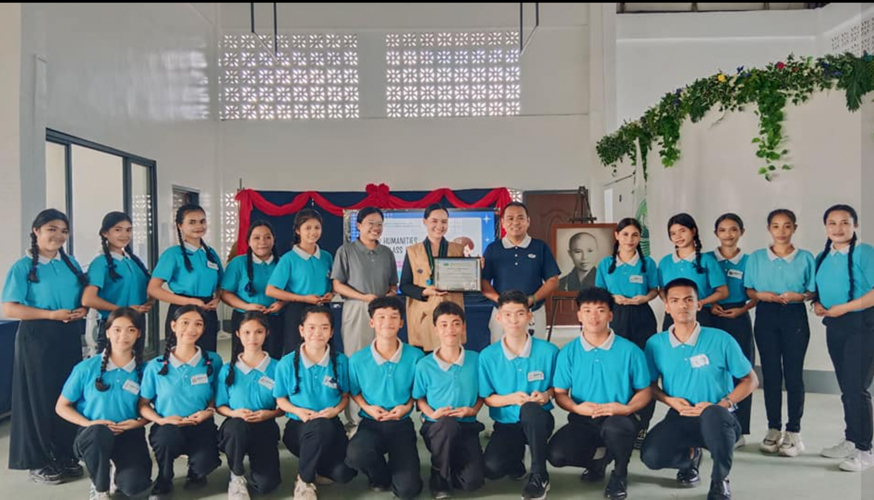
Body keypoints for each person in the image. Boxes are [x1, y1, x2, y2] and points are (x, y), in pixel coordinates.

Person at [641, 278, 758, 500]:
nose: (682, 305)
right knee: (651, 457)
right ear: (666, 306)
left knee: (713, 415)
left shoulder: (721, 339)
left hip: (719, 416)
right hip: (681, 414)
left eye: (688, 300)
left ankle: (719, 480)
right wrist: (670, 401)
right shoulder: (656, 344)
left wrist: (723, 403)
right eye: (675, 300)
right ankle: (690, 457)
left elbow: (750, 380)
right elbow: (650, 385)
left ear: (698, 304)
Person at [2, 208, 88, 484]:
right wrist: (51, 315)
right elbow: (11, 308)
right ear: (36, 231)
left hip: (68, 334)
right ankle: (39, 461)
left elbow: (79, 297)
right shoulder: (24, 267)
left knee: (67, 395)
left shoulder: (70, 263)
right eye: (52, 228)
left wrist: (82, 309)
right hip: (37, 338)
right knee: (39, 399)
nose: (58, 235)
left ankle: (66, 454)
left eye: (63, 230)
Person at [547, 287, 651, 500]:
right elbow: (560, 393)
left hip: (619, 418)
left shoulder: (630, 351)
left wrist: (628, 408)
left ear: (611, 315)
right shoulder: (568, 352)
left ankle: (620, 473)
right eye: (587, 310)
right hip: (583, 418)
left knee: (615, 428)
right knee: (556, 455)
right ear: (579, 315)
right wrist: (576, 407)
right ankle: (598, 462)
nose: (593, 316)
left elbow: (645, 391)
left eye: (601, 310)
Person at [55, 307, 152, 500]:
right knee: (100, 433)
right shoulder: (86, 368)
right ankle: (99, 486)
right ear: (107, 332)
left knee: (135, 486)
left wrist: (139, 422)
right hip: (93, 436)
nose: (123, 335)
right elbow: (62, 406)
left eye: (130, 330)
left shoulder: (146, 370)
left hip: (129, 434)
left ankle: (116, 470)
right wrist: (90, 424)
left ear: (138, 333)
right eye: (116, 329)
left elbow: (150, 407)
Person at [744, 209, 815, 457]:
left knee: (794, 375)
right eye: (776, 226)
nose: (781, 231)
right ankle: (773, 428)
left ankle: (793, 431)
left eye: (787, 226)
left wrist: (801, 296)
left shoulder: (806, 258)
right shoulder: (756, 258)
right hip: (766, 315)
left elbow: (813, 291)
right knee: (771, 375)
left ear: (795, 228)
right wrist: (760, 296)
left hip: (794, 315)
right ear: (769, 229)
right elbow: (750, 289)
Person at [479, 290, 559, 500]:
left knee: (531, 410)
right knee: (492, 468)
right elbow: (488, 397)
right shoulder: (488, 356)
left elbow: (558, 389)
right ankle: (516, 461)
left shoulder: (549, 351)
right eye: (507, 314)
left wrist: (546, 395)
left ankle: (540, 475)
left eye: (520, 313)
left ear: (529, 316)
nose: (514, 320)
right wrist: (512, 398)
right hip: (506, 423)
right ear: (499, 317)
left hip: (538, 420)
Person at [813, 204, 874, 472]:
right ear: (826, 227)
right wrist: (816, 303)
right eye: (832, 223)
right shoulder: (823, 256)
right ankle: (851, 439)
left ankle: (865, 449)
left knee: (856, 388)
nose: (838, 228)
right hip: (834, 325)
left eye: (845, 223)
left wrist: (845, 308)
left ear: (855, 226)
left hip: (862, 325)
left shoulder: (864, 252)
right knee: (845, 387)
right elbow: (819, 288)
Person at [139, 305, 223, 499]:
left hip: (201, 424)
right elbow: (143, 404)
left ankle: (195, 470)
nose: (191, 329)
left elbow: (215, 394)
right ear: (173, 325)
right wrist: (161, 421)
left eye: (198, 324)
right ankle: (165, 476)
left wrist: (209, 411)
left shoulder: (213, 360)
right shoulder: (156, 366)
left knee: (205, 464)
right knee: (166, 439)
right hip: (168, 427)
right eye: (185, 323)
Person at [345, 296, 425, 500]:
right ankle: (379, 476)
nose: (387, 322)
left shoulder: (416, 356)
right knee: (356, 454)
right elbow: (354, 391)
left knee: (408, 490)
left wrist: (407, 407)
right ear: (371, 322)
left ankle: (401, 470)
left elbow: (418, 392)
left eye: (393, 317)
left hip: (401, 423)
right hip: (371, 422)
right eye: (381, 317)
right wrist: (368, 408)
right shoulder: (357, 359)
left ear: (401, 322)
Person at [274, 305, 357, 500]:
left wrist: (334, 410)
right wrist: (299, 411)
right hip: (299, 427)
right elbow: (280, 399)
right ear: (301, 330)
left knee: (344, 474)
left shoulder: (341, 361)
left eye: (324, 327)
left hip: (331, 423)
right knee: (318, 427)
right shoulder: (286, 363)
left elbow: (345, 396)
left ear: (332, 332)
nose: (317, 333)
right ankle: (304, 481)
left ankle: (313, 462)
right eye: (311, 327)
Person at [594, 218, 660, 447]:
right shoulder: (606, 264)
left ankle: (642, 424)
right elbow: (599, 292)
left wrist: (645, 297)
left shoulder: (647, 263)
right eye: (625, 235)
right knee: (617, 367)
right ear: (617, 236)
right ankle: (617, 419)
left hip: (642, 316)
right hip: (616, 317)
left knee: (643, 369)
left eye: (634, 235)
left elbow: (654, 289)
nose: (630, 240)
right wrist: (612, 298)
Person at [331, 207, 398, 427]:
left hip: (382, 312)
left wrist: (386, 296)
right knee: (356, 361)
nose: (375, 228)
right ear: (358, 226)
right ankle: (356, 419)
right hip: (356, 309)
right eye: (370, 223)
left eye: (379, 224)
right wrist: (363, 297)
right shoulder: (346, 250)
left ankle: (380, 411)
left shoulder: (387, 252)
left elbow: (392, 285)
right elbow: (337, 284)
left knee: (382, 359)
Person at [413, 301, 485, 498]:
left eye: (455, 323)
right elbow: (419, 399)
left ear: (463, 327)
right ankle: (439, 476)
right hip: (437, 427)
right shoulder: (424, 365)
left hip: (467, 424)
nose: (450, 329)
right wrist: (432, 414)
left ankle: (451, 462)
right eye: (443, 324)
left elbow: (482, 395)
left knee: (472, 482)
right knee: (447, 425)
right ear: (435, 329)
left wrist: (473, 410)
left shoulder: (476, 359)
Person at [216, 312, 283, 499]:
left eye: (258, 332)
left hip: (265, 426)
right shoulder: (227, 369)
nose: (252, 338)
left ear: (266, 333)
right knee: (236, 427)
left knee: (266, 485)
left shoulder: (278, 367)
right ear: (237, 334)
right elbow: (220, 405)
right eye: (246, 332)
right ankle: (236, 475)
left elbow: (283, 406)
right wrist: (234, 413)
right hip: (236, 427)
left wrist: (268, 415)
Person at [706, 214, 757, 448]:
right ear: (716, 233)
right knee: (712, 371)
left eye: (733, 229)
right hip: (711, 316)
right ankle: (711, 425)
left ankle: (740, 430)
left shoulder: (750, 261)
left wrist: (742, 309)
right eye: (723, 230)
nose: (728, 234)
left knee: (741, 372)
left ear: (741, 232)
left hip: (738, 317)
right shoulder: (706, 259)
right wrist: (709, 305)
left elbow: (755, 292)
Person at [148, 204, 223, 352]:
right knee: (181, 356)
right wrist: (189, 301)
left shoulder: (211, 253)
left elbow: (221, 283)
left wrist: (218, 298)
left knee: (207, 357)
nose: (199, 226)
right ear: (180, 225)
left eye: (202, 221)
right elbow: (153, 289)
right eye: (192, 222)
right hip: (182, 310)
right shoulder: (173, 254)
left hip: (207, 311)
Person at [482, 202, 560, 342]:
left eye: (520, 218)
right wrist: (500, 301)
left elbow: (553, 280)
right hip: (502, 313)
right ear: (503, 222)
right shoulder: (493, 249)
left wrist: (532, 299)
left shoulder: (540, 247)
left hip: (533, 312)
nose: (515, 222)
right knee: (501, 354)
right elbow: (483, 282)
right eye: (510, 218)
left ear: (528, 221)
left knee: (535, 353)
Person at [82, 211, 152, 353]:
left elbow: (149, 288)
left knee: (135, 367)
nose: (124, 235)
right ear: (105, 233)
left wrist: (149, 303)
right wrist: (122, 309)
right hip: (114, 324)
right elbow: (88, 299)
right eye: (118, 230)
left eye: (128, 230)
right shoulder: (100, 263)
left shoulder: (133, 261)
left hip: (137, 323)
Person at [266, 209, 334, 355]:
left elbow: (333, 283)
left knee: (324, 350)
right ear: (298, 230)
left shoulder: (326, 257)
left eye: (317, 227)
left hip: (323, 309)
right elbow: (271, 290)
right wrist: (303, 298)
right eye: (307, 228)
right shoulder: (289, 259)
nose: (313, 232)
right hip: (297, 310)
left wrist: (331, 293)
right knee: (296, 352)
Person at [400, 204, 465, 352]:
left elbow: (466, 283)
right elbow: (404, 286)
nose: (439, 226)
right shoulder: (413, 251)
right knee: (425, 359)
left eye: (444, 222)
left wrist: (476, 270)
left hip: (451, 313)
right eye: (434, 221)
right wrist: (424, 291)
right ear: (425, 222)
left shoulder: (458, 249)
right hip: (424, 314)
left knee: (452, 355)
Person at [221, 220, 285, 360]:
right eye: (256, 237)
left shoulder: (283, 263)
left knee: (273, 359)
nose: (262, 241)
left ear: (274, 240)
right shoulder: (238, 263)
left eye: (267, 237)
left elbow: (292, 292)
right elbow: (225, 293)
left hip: (275, 319)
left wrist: (281, 304)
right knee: (242, 359)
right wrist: (247, 306)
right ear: (248, 241)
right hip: (245, 319)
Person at [657, 213, 728, 330]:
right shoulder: (665, 262)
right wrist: (668, 303)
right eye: (673, 233)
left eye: (682, 231)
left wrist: (701, 302)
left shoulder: (707, 261)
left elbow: (723, 292)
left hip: (701, 314)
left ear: (693, 231)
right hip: (673, 316)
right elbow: (662, 290)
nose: (678, 236)